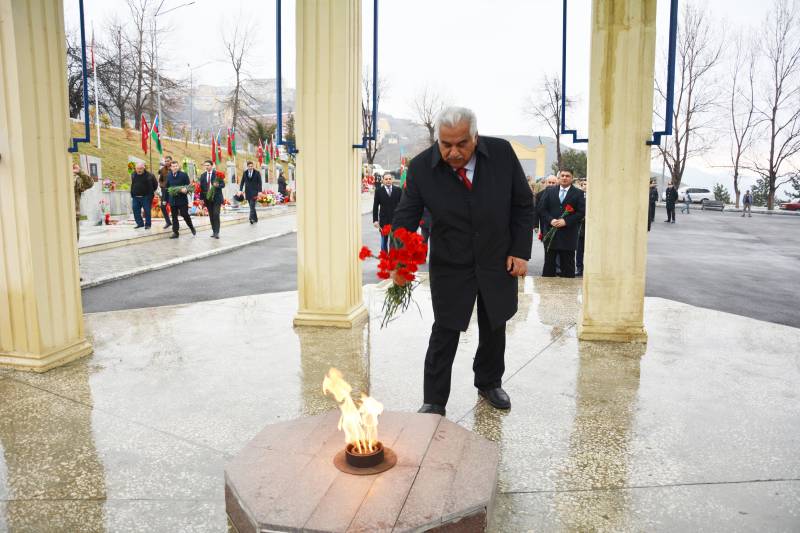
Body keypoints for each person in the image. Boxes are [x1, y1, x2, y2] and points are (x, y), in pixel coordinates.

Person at [391, 106, 534, 416]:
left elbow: (523, 204)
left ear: (475, 137)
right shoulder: (420, 169)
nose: (454, 152)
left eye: (462, 144)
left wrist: (520, 251)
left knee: (494, 323)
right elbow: (404, 218)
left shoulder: (501, 154)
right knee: (445, 329)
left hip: (497, 257)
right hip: (451, 263)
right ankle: (434, 400)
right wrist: (399, 262)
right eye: (446, 145)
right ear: (438, 141)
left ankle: (489, 382)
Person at [537, 169, 586, 278]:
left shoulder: (578, 193)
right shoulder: (549, 191)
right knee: (549, 266)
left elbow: (581, 212)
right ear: (559, 177)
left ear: (572, 178)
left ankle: (569, 292)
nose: (564, 178)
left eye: (567, 176)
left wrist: (566, 221)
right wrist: (551, 220)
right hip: (551, 234)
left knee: (568, 267)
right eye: (562, 175)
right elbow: (541, 209)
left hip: (568, 235)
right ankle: (546, 291)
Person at [372, 173, 402, 252]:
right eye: (386, 179)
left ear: (392, 180)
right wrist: (375, 220)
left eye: (389, 179)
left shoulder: (398, 190)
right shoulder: (379, 191)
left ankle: (394, 258)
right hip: (384, 221)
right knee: (384, 241)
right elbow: (375, 206)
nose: (388, 181)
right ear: (383, 180)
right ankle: (384, 258)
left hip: (396, 221)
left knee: (395, 241)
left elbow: (402, 205)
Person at [166, 160, 195, 238]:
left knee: (184, 214)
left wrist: (185, 189)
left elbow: (189, 186)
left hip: (182, 199)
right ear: (170, 167)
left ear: (178, 166)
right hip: (173, 200)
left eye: (176, 166)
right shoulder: (168, 175)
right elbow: (167, 187)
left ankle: (191, 227)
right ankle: (175, 232)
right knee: (174, 216)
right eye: (173, 166)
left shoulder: (183, 175)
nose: (175, 168)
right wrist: (165, 200)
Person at [200, 160, 225, 238]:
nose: (206, 167)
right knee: (211, 215)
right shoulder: (203, 175)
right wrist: (201, 199)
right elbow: (201, 188)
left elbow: (223, 184)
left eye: (208, 165)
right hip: (207, 198)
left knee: (216, 214)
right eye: (205, 165)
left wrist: (218, 185)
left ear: (212, 165)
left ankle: (217, 232)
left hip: (217, 197)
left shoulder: (217, 174)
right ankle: (214, 231)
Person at [130, 162, 158, 229]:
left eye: (140, 168)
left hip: (146, 197)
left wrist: (150, 193)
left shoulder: (150, 175)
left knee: (147, 211)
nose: (139, 170)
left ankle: (148, 225)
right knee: (135, 210)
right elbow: (133, 184)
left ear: (144, 168)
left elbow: (155, 185)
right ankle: (140, 223)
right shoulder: (133, 174)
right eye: (137, 168)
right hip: (135, 197)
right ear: (135, 168)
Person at [73, 163, 94, 240]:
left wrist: (80, 172)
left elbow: (90, 183)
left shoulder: (77, 179)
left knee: (74, 240)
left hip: (74, 214)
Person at [157, 156, 173, 229]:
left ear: (171, 161)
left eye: (168, 161)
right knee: (163, 206)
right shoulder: (162, 170)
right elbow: (160, 180)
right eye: (165, 161)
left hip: (173, 191)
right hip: (164, 191)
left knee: (173, 207)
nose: (167, 162)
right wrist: (162, 185)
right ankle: (168, 222)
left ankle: (175, 222)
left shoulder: (174, 168)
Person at [576, 179, 587, 276]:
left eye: (586, 184)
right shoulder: (578, 197)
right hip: (580, 229)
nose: (584, 186)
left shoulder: (593, 197)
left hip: (590, 229)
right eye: (582, 184)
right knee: (579, 250)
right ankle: (579, 268)